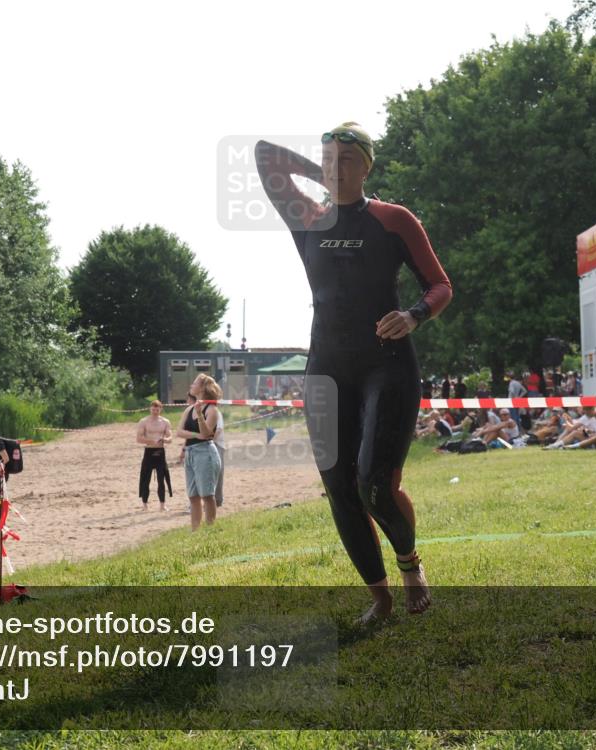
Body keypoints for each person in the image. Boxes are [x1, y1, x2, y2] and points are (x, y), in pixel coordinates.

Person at [256, 122, 452, 620]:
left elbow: (439, 286)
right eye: (328, 159)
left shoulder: (393, 219)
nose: (335, 169)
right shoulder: (308, 219)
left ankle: (411, 566)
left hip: (385, 365)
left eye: (346, 160)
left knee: (373, 483)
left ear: (367, 164)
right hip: (325, 368)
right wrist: (319, 171)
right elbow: (265, 156)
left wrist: (413, 315)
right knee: (339, 488)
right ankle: (379, 595)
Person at [176, 375, 223, 530]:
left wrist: (201, 416)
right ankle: (195, 531)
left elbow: (207, 434)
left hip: (205, 453)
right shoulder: (189, 409)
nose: (191, 384)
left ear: (202, 388)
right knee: (193, 496)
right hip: (190, 453)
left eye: (195, 382)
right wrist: (195, 435)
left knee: (207, 495)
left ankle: (210, 530)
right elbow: (179, 432)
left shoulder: (212, 410)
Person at [136, 400, 173, 511]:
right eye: (153, 409)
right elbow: (138, 438)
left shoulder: (165, 421)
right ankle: (144, 504)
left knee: (162, 479)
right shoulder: (144, 421)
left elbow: (170, 438)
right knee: (145, 478)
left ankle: (162, 505)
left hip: (160, 452)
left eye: (157, 409)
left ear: (160, 409)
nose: (155, 411)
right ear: (150, 409)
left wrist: (165, 440)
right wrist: (152, 441)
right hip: (149, 451)